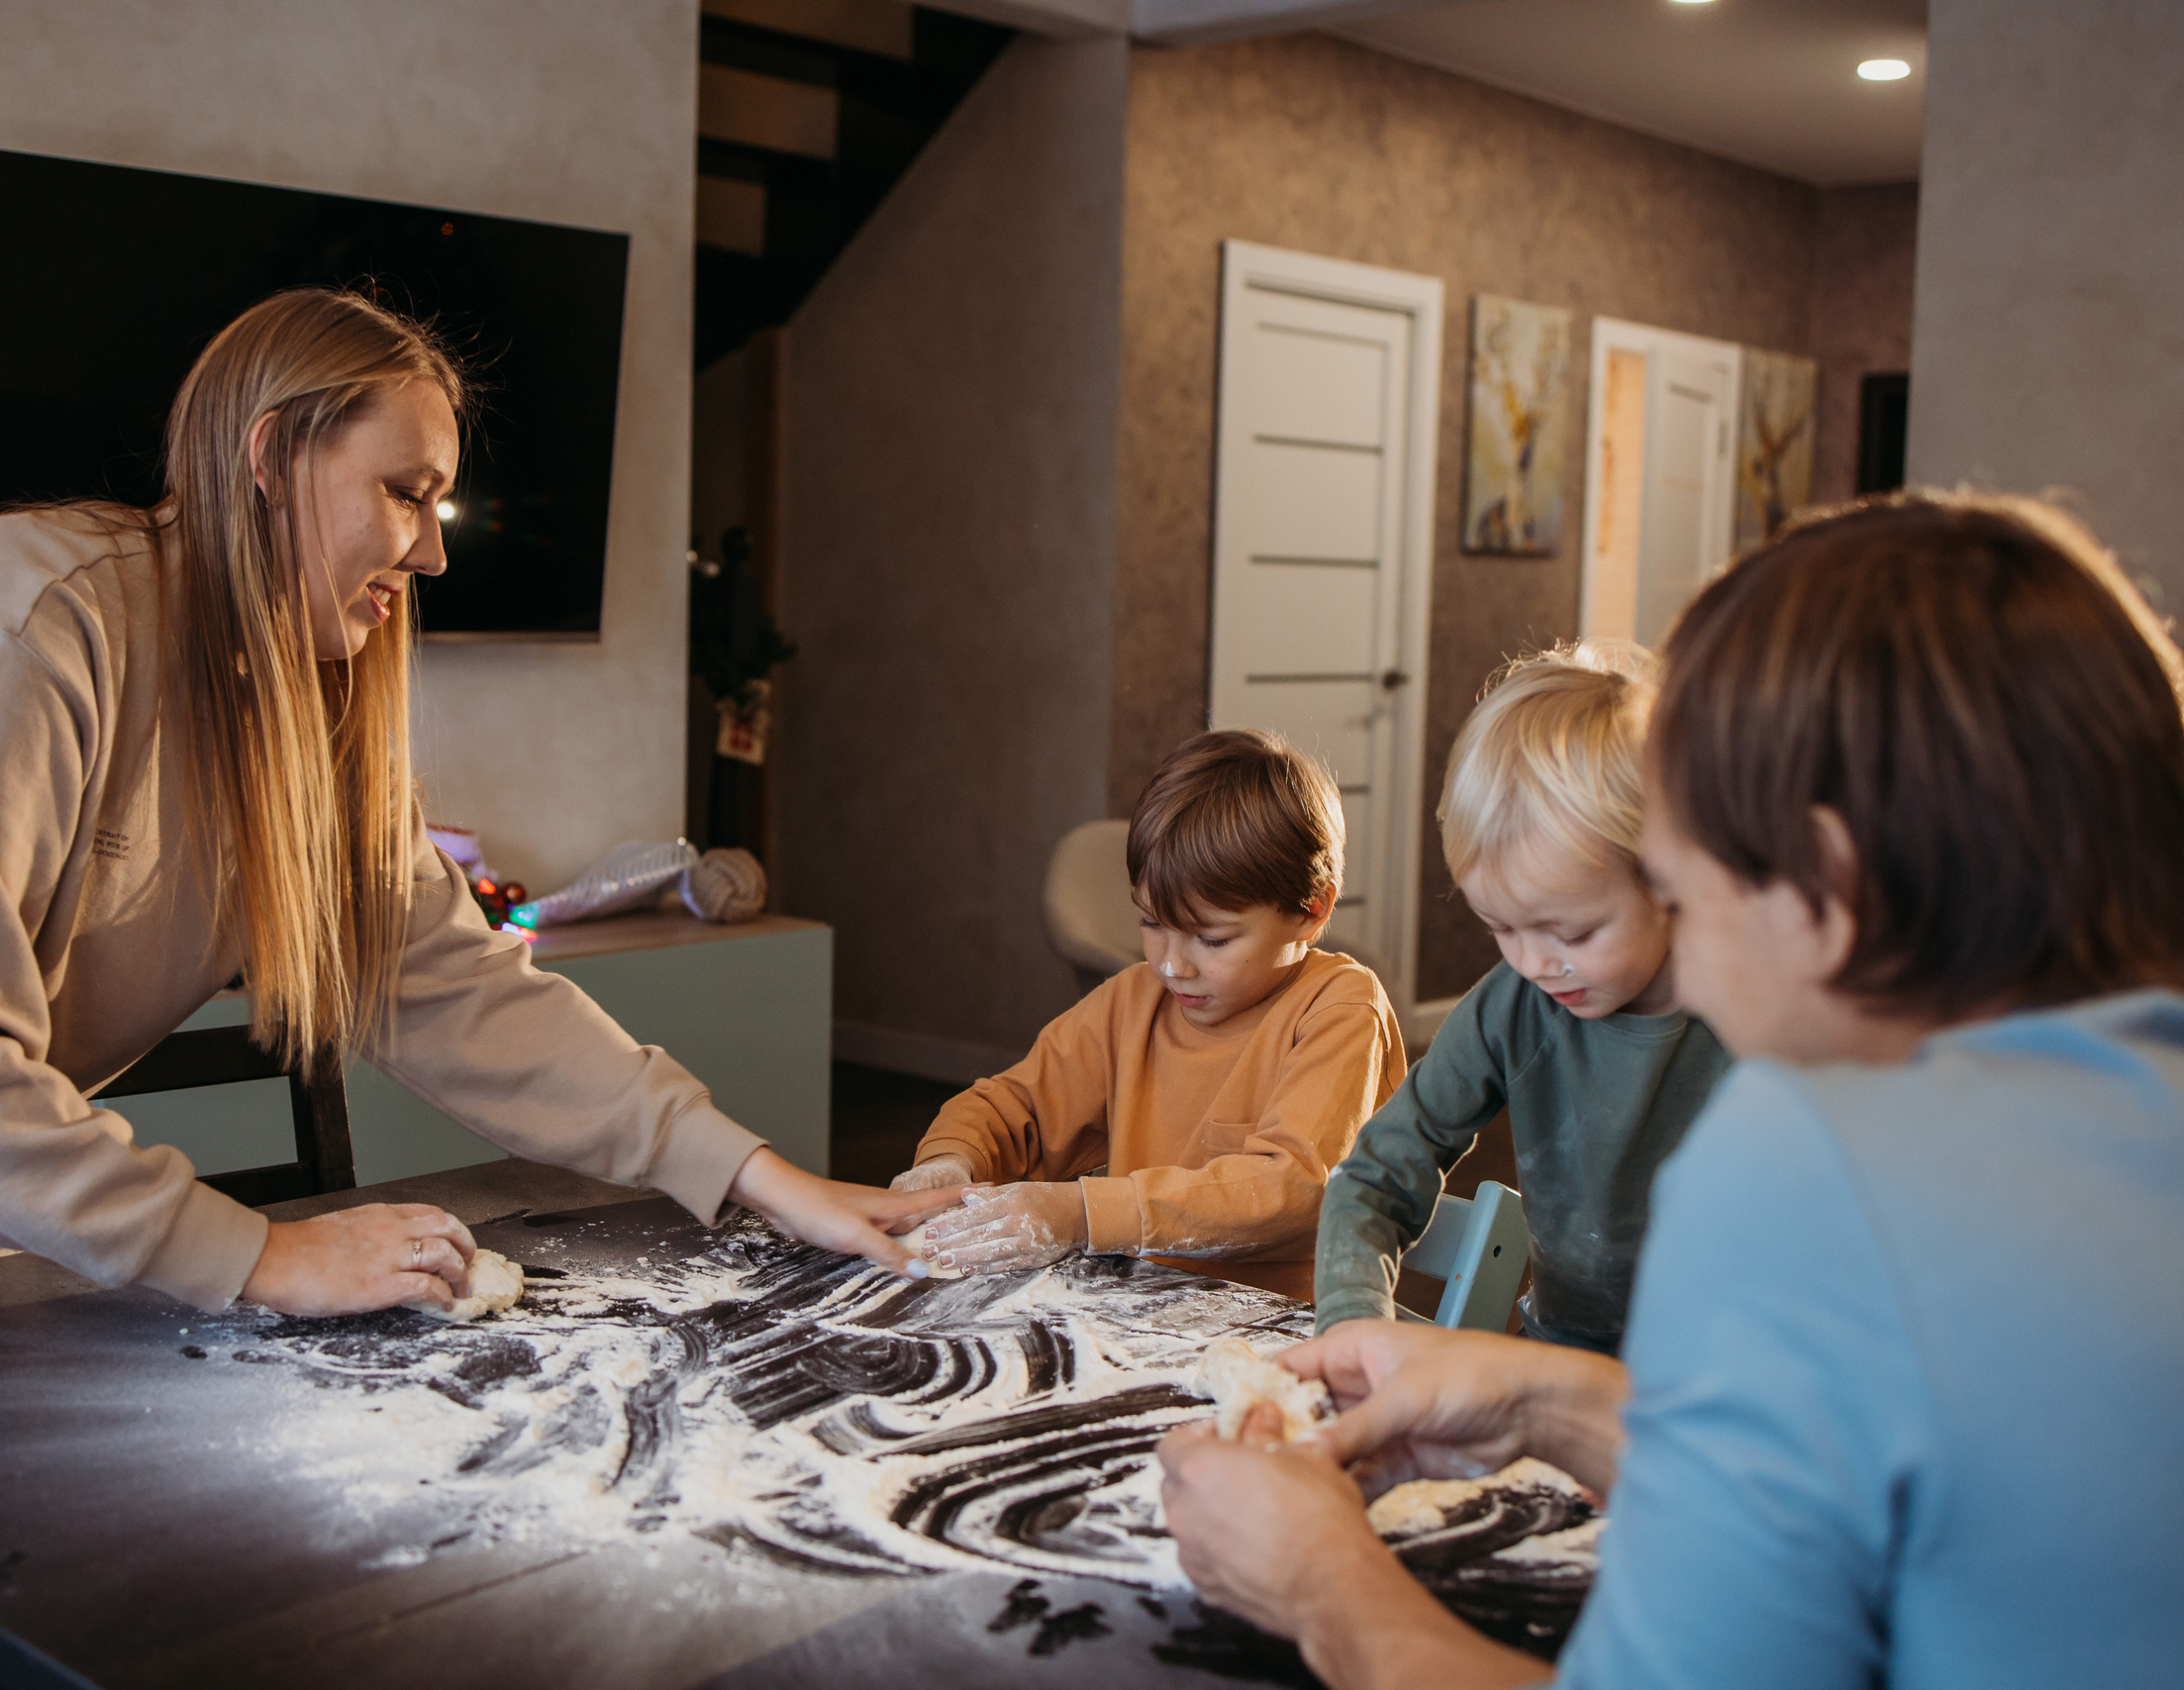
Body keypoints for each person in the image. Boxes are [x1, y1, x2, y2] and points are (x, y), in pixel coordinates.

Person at [0, 287, 953, 1328]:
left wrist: (751, 1173)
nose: (433, 550)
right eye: (406, 490)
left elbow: (447, 982)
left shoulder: (299, 699)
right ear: (273, 453)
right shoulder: (12, 637)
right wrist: (265, 1252)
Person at [1159, 491, 2184, 1688]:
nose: (1685, 958)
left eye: (1688, 897)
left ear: (1825, 892)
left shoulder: (1817, 1162)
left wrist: (1317, 1580)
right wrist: (1554, 1401)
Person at [1317, 641, 1729, 1351]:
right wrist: (1352, 1322)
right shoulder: (1510, 1007)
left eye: (1571, 930)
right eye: (1500, 927)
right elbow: (1373, 1180)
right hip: (1560, 1352)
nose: (1534, 962)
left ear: (1673, 879)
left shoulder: (1759, 1012)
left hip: (1729, 1388)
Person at [903, 729, 1405, 1297]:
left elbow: (1293, 1191)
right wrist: (950, 1161)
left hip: (1287, 1339)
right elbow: (1012, 1108)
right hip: (1137, 1314)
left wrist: (1083, 1215)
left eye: (1211, 940)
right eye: (1151, 924)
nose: (1172, 966)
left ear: (1312, 912)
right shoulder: (1132, 1001)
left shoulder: (1340, 1007)